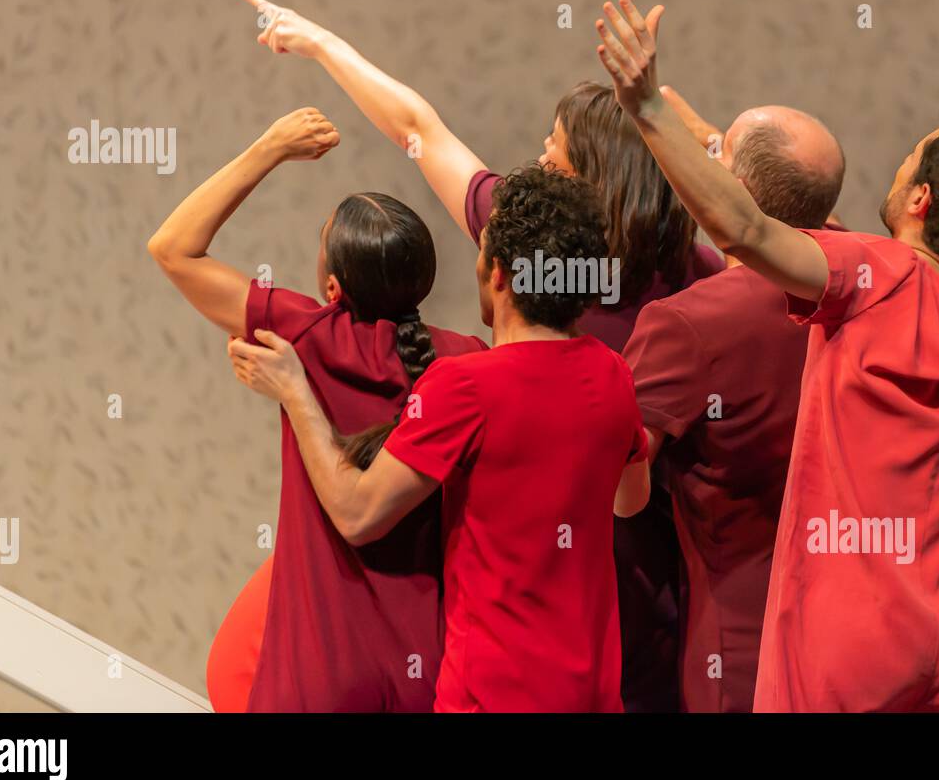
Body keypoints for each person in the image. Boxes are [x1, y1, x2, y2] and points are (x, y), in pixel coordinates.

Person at [593, 0, 939, 712]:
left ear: (920, 198)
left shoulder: (862, 279)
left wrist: (642, 105)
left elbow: (744, 227)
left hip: (855, 644)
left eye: (911, 155)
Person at [238, 0, 713, 710]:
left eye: (551, 155)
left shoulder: (476, 364)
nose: (536, 163)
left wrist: (320, 43)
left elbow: (415, 128)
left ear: (498, 267)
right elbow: (630, 493)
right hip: (610, 642)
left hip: (505, 669)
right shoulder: (675, 304)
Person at [227, 166, 651, 711]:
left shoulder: (465, 385)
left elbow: (358, 513)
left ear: (497, 272)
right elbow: (629, 500)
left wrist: (295, 392)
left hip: (493, 694)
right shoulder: (614, 374)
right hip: (592, 690)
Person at [147, 108, 486, 711]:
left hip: (316, 676)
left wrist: (270, 148)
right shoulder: (464, 361)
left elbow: (173, 248)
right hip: (424, 676)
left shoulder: (307, 335)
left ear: (333, 290)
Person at [622, 104, 845, 712]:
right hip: (854, 634)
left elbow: (622, 489)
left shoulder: (686, 323)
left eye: (714, 160)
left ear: (735, 192)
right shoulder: (863, 285)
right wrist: (715, 146)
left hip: (741, 650)